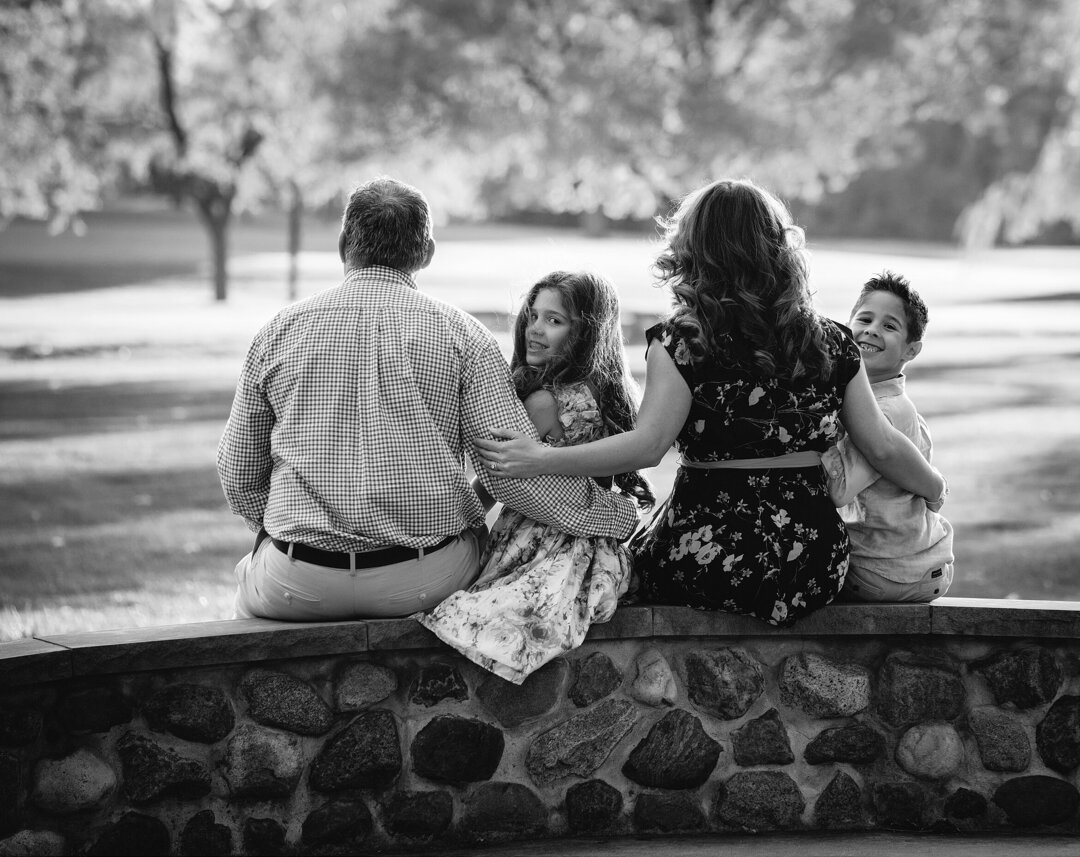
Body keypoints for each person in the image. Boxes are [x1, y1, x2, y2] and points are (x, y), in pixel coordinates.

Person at [473, 178, 946, 626]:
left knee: (620, 570)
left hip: (708, 552)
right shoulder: (831, 340)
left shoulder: (683, 341)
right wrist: (934, 487)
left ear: (698, 249)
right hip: (811, 563)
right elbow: (882, 445)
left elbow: (647, 446)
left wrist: (543, 458)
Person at [217, 178, 637, 622]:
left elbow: (238, 472)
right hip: (424, 578)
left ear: (344, 245)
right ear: (427, 253)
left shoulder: (277, 332)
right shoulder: (464, 335)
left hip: (297, 581)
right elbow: (510, 473)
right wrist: (618, 517)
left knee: (249, 581)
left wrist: (286, 537)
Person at [418, 271, 655, 683]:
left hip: (542, 535)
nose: (534, 330)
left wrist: (468, 523)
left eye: (554, 320)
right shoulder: (599, 391)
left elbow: (498, 477)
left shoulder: (545, 402)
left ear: (585, 334)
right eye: (533, 316)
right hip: (594, 538)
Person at [822, 271, 954, 602]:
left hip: (886, 571)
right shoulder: (879, 403)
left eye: (889, 326)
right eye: (864, 319)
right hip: (905, 564)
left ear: (911, 351)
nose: (871, 330)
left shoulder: (886, 411)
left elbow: (839, 489)